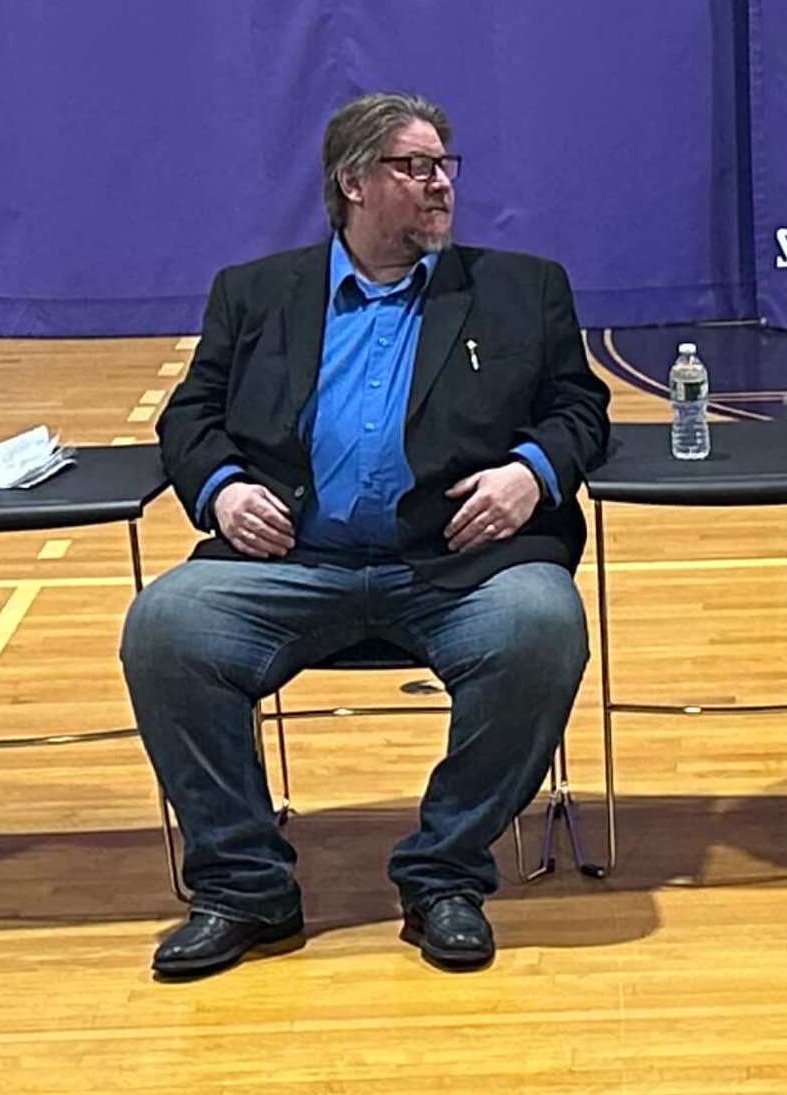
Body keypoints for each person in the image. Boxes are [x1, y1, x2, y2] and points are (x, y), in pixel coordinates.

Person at [127, 92, 609, 978]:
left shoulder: (519, 288)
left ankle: (445, 874)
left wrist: (529, 472)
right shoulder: (258, 293)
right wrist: (224, 490)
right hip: (294, 566)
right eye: (415, 168)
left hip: (461, 569)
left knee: (542, 624)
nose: (439, 186)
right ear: (352, 183)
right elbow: (188, 417)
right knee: (168, 628)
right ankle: (243, 885)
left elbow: (581, 407)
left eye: (444, 168)